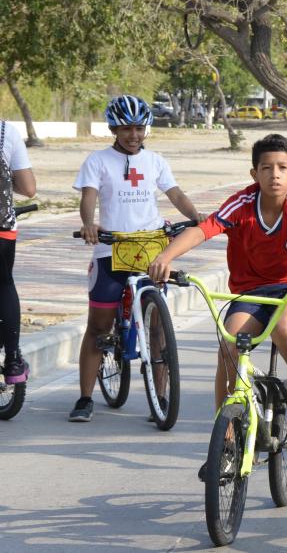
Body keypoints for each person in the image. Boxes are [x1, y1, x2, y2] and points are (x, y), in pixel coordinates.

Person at [149, 134, 287, 443]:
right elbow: (204, 229)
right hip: (252, 291)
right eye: (266, 168)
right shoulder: (242, 203)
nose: (275, 174)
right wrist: (166, 256)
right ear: (254, 174)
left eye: (282, 167)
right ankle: (224, 441)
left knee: (282, 328)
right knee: (228, 348)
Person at [70, 96, 203, 423]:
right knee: (98, 328)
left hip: (150, 247)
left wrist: (198, 217)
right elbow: (88, 199)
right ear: (114, 128)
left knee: (157, 327)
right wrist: (89, 224)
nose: (134, 134)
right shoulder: (97, 161)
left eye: (139, 128)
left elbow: (176, 194)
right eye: (126, 128)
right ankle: (85, 398)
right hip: (110, 250)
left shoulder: (156, 161)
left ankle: (160, 398)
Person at [0, 119, 36, 385]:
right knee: (4, 285)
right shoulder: (5, 132)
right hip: (1, 228)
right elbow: (29, 188)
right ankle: (12, 360)